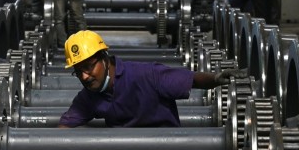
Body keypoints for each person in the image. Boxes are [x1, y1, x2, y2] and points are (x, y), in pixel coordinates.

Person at [58, 31, 244, 128]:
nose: (84, 76)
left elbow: (192, 80)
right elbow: (65, 126)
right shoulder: (89, 97)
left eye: (89, 67)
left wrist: (217, 78)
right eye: (78, 71)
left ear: (105, 59)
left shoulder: (147, 75)